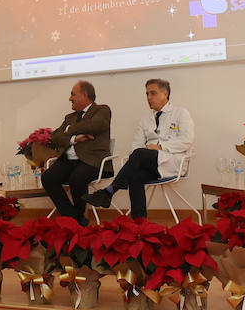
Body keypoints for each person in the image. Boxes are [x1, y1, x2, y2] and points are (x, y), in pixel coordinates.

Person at [85, 78, 195, 217]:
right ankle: (139, 223)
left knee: (138, 156)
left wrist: (160, 147)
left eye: (153, 93)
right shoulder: (144, 120)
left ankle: (109, 191)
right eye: (147, 94)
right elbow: (135, 146)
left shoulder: (180, 113)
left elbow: (187, 140)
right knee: (135, 175)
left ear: (165, 94)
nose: (149, 97)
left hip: (173, 162)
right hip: (149, 163)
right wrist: (145, 152)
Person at [41, 80, 111, 224]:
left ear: (84, 95)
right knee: (48, 177)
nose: (69, 98)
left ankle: (76, 220)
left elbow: (96, 125)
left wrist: (69, 129)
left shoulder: (102, 110)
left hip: (91, 160)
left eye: (73, 94)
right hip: (69, 160)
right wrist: (74, 139)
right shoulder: (70, 117)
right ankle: (74, 218)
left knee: (76, 178)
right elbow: (55, 137)